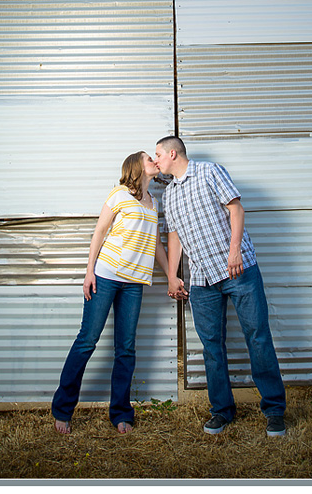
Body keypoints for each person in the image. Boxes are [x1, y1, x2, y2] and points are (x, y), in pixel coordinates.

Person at [155, 135, 287, 437]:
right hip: (201, 281)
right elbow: (174, 236)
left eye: (158, 155)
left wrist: (235, 249)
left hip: (237, 270)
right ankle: (222, 411)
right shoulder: (169, 195)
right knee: (212, 347)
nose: (157, 160)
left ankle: (274, 410)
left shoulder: (210, 171)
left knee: (258, 337)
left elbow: (236, 209)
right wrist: (174, 275)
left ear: (173, 154)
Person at [52, 151, 185, 435]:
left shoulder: (154, 202)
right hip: (106, 275)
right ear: (137, 165)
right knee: (87, 341)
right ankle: (63, 409)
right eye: (150, 158)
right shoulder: (119, 193)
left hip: (135, 283)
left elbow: (157, 245)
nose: (155, 161)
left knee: (126, 349)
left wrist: (171, 277)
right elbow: (99, 232)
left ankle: (121, 413)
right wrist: (89, 271)